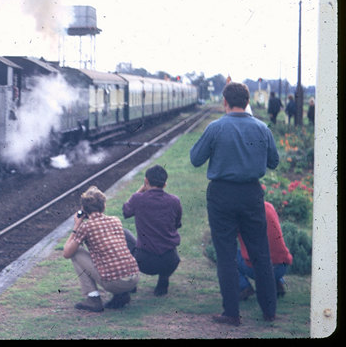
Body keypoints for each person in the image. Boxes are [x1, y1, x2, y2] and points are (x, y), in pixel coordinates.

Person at [190, 81, 280, 325]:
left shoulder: (216, 127)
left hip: (221, 195)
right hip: (251, 194)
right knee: (261, 252)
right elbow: (273, 162)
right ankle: (269, 311)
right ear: (248, 102)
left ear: (225, 102)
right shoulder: (262, 129)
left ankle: (231, 312)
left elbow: (196, 159)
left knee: (226, 254)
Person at [63, 186, 140, 312]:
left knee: (75, 252)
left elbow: (67, 252)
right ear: (103, 206)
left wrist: (77, 225)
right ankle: (122, 293)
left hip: (115, 284)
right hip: (134, 278)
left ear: (84, 209)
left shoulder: (86, 227)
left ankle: (93, 299)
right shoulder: (116, 220)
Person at [122, 165, 182, 296]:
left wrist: (140, 190)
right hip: (170, 260)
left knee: (124, 233)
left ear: (146, 181)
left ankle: (131, 283)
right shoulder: (174, 201)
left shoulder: (138, 199)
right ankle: (163, 280)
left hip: (144, 261)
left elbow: (126, 211)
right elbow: (177, 224)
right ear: (165, 184)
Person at [237, 201, 293, 301]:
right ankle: (276, 282)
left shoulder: (239, 212)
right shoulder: (269, 206)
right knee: (270, 247)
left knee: (229, 254)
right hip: (282, 266)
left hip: (257, 270)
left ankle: (243, 287)